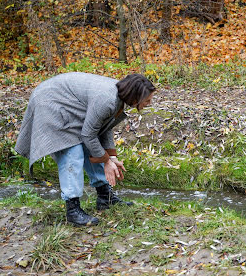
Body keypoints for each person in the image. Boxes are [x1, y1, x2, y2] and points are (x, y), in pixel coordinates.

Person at [15, 72, 156, 226]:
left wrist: (112, 157)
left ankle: (104, 197)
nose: (150, 103)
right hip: (50, 102)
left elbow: (103, 127)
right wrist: (106, 161)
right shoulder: (107, 100)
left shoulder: (119, 96)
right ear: (135, 97)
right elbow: (88, 135)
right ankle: (73, 210)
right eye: (147, 100)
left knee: (92, 146)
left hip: (66, 102)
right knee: (72, 151)